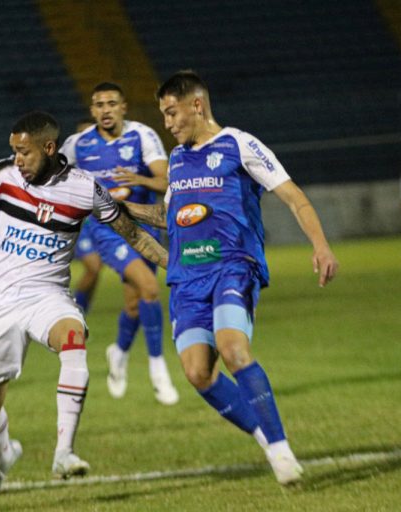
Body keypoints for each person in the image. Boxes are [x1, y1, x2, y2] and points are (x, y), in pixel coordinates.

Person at [0, 111, 168, 496]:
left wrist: (174, 268)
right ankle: (5, 453)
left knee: (74, 340)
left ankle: (64, 452)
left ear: (49, 147)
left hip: (48, 296)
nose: (18, 159)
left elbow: (133, 234)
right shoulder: (4, 174)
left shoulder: (83, 188)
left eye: (24, 151)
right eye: (14, 151)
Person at [124, 70, 339, 485]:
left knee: (233, 348)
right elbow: (169, 218)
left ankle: (280, 450)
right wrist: (122, 209)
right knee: (197, 373)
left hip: (233, 265)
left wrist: (321, 244)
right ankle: (264, 433)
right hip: (187, 278)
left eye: (172, 113)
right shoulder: (177, 159)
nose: (167, 124)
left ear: (197, 106)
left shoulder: (239, 144)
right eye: (164, 116)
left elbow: (293, 196)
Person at [61, 82, 179, 406]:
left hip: (146, 224)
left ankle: (119, 353)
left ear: (123, 107)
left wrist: (140, 179)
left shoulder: (142, 135)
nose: (105, 109)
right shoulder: (77, 145)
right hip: (109, 231)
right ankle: (158, 368)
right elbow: (53, 181)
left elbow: (165, 179)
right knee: (151, 288)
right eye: (99, 104)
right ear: (92, 110)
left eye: (112, 103)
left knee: (134, 304)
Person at [66, 118, 103, 313]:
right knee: (94, 267)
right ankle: (75, 307)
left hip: (101, 223)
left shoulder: (105, 162)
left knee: (97, 270)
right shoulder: (69, 165)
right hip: (81, 224)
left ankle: (82, 309)